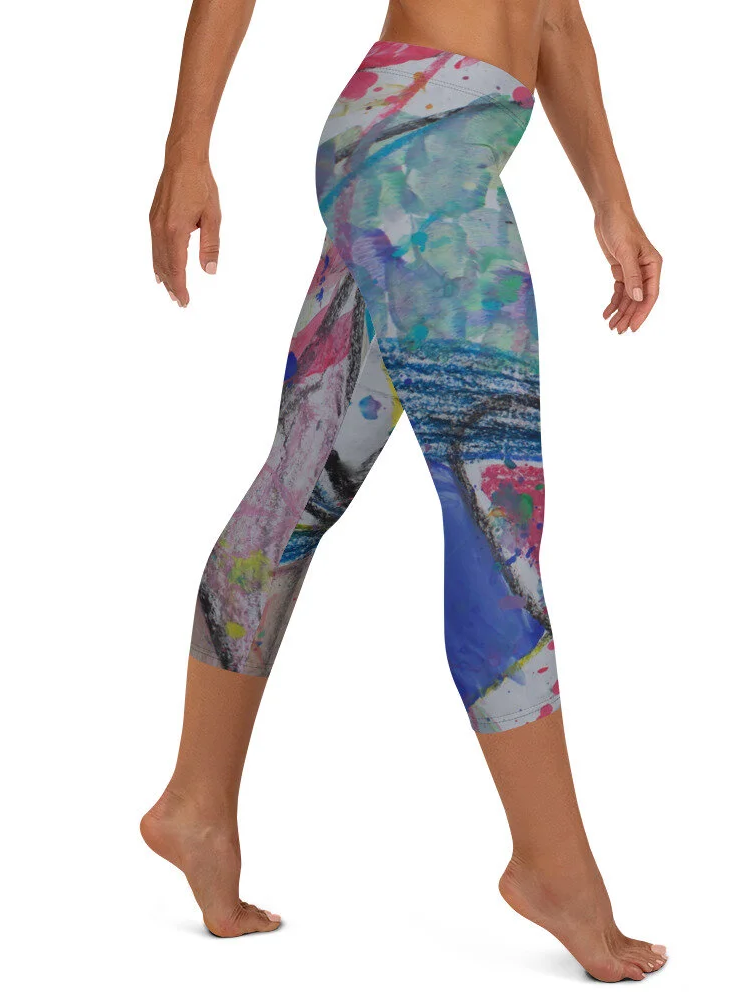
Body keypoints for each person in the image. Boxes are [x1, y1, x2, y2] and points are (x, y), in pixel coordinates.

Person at [142, 0, 665, 982]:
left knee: (301, 480)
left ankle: (196, 805)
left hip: (420, 143)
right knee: (494, 510)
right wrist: (187, 151)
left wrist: (610, 200)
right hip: (424, 155)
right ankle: (554, 866)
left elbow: (551, 15)